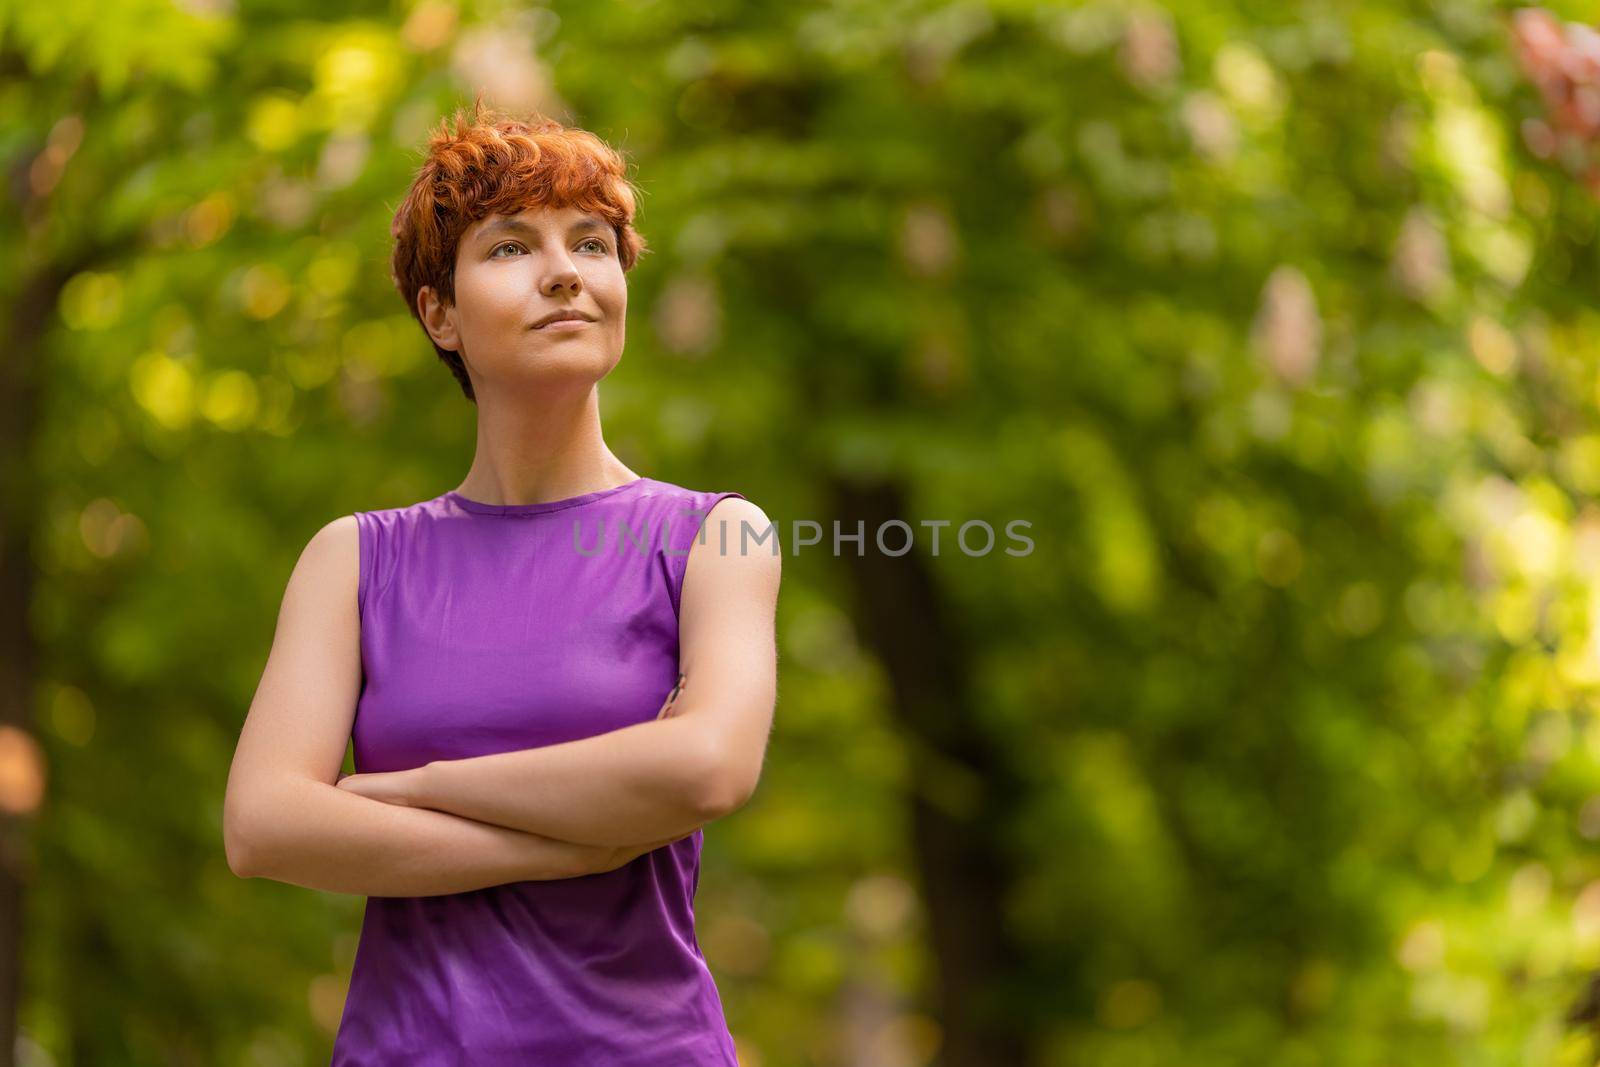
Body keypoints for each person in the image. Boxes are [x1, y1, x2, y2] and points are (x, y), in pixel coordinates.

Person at [222, 100, 781, 1065]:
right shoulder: (356, 560)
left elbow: (707, 767)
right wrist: (574, 839)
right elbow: (264, 823)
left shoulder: (716, 536)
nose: (566, 270)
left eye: (593, 243)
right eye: (513, 246)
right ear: (439, 314)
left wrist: (415, 790)